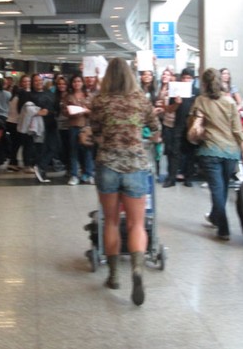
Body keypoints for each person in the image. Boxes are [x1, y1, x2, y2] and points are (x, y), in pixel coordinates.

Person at [90, 57, 160, 306]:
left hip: (107, 164)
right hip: (136, 166)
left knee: (110, 221)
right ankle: (138, 269)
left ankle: (113, 275)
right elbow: (155, 128)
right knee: (136, 224)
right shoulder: (140, 99)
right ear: (131, 75)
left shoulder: (99, 100)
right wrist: (144, 137)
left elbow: (95, 131)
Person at [192, 68, 243, 241]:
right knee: (223, 188)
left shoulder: (201, 101)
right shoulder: (230, 102)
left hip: (210, 150)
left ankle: (223, 228)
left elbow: (196, 123)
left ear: (204, 83)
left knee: (217, 189)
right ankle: (216, 217)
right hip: (231, 152)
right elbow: (237, 129)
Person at [18, 74, 58, 183]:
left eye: (40, 80)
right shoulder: (28, 95)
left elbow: (54, 108)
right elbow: (24, 110)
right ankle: (41, 169)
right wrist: (38, 112)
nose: (38, 82)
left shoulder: (50, 94)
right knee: (40, 148)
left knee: (53, 147)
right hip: (38, 127)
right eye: (35, 80)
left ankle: (40, 166)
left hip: (51, 123)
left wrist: (47, 112)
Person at [163, 68, 198, 188]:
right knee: (174, 152)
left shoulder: (196, 92)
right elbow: (169, 109)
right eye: (184, 77)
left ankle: (188, 177)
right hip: (178, 125)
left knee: (190, 152)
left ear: (193, 79)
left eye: (188, 78)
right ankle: (171, 178)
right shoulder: (176, 90)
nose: (186, 80)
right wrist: (177, 103)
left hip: (191, 125)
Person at [63, 73, 94, 185]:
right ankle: (74, 174)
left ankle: (89, 174)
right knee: (74, 151)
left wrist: (86, 111)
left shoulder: (88, 95)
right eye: (75, 81)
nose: (77, 84)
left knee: (87, 151)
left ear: (82, 83)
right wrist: (70, 111)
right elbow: (64, 111)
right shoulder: (68, 96)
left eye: (79, 81)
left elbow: (94, 111)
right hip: (73, 125)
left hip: (86, 127)